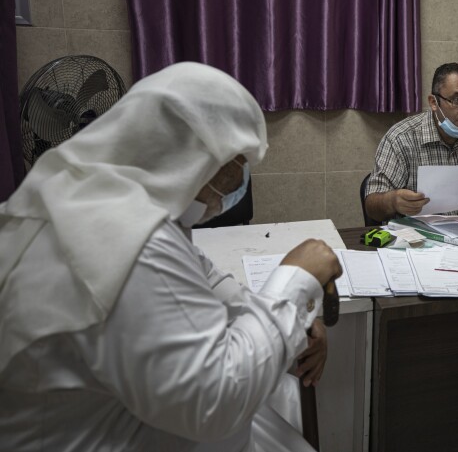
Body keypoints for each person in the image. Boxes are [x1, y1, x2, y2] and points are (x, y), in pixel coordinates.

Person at [0, 63, 342, 451]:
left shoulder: (88, 197)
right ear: (196, 156)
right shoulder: (126, 235)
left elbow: (204, 279)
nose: (237, 182)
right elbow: (215, 402)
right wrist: (296, 281)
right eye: (237, 165)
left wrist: (292, 320)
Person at [364, 62, 458, 225]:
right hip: (415, 240)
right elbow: (372, 206)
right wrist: (392, 201)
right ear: (434, 102)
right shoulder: (401, 138)